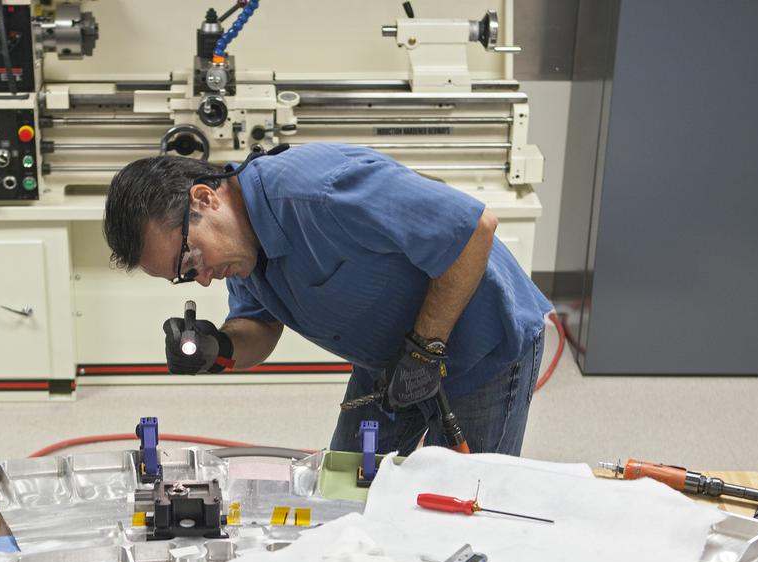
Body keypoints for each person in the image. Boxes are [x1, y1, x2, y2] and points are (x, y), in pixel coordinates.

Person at [101, 142, 553, 455]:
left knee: (458, 508)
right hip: (389, 361)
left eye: (190, 259)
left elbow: (475, 228)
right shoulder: (242, 250)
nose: (201, 280)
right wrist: (217, 350)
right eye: (184, 277)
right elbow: (258, 327)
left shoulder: (319, 192)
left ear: (204, 198)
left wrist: (426, 348)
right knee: (343, 491)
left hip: (483, 347)